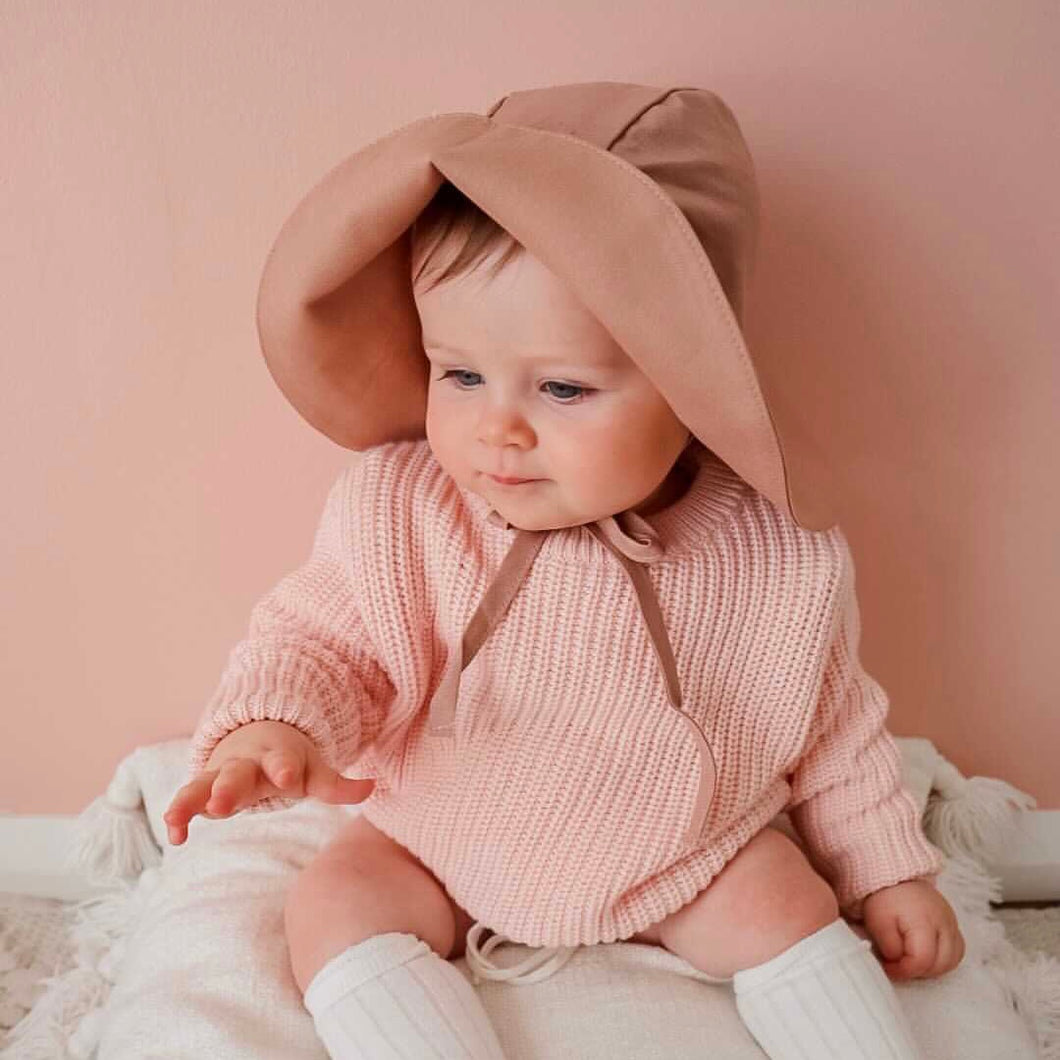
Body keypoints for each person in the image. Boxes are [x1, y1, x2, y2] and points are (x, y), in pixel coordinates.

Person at [163, 82, 964, 1060]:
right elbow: (321, 641)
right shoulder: (403, 508)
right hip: (440, 839)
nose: (497, 426)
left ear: (690, 381)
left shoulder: (773, 550)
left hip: (682, 849)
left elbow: (833, 723)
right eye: (459, 373)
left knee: (781, 898)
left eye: (563, 386)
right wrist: (272, 728)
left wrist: (888, 873)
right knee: (332, 902)